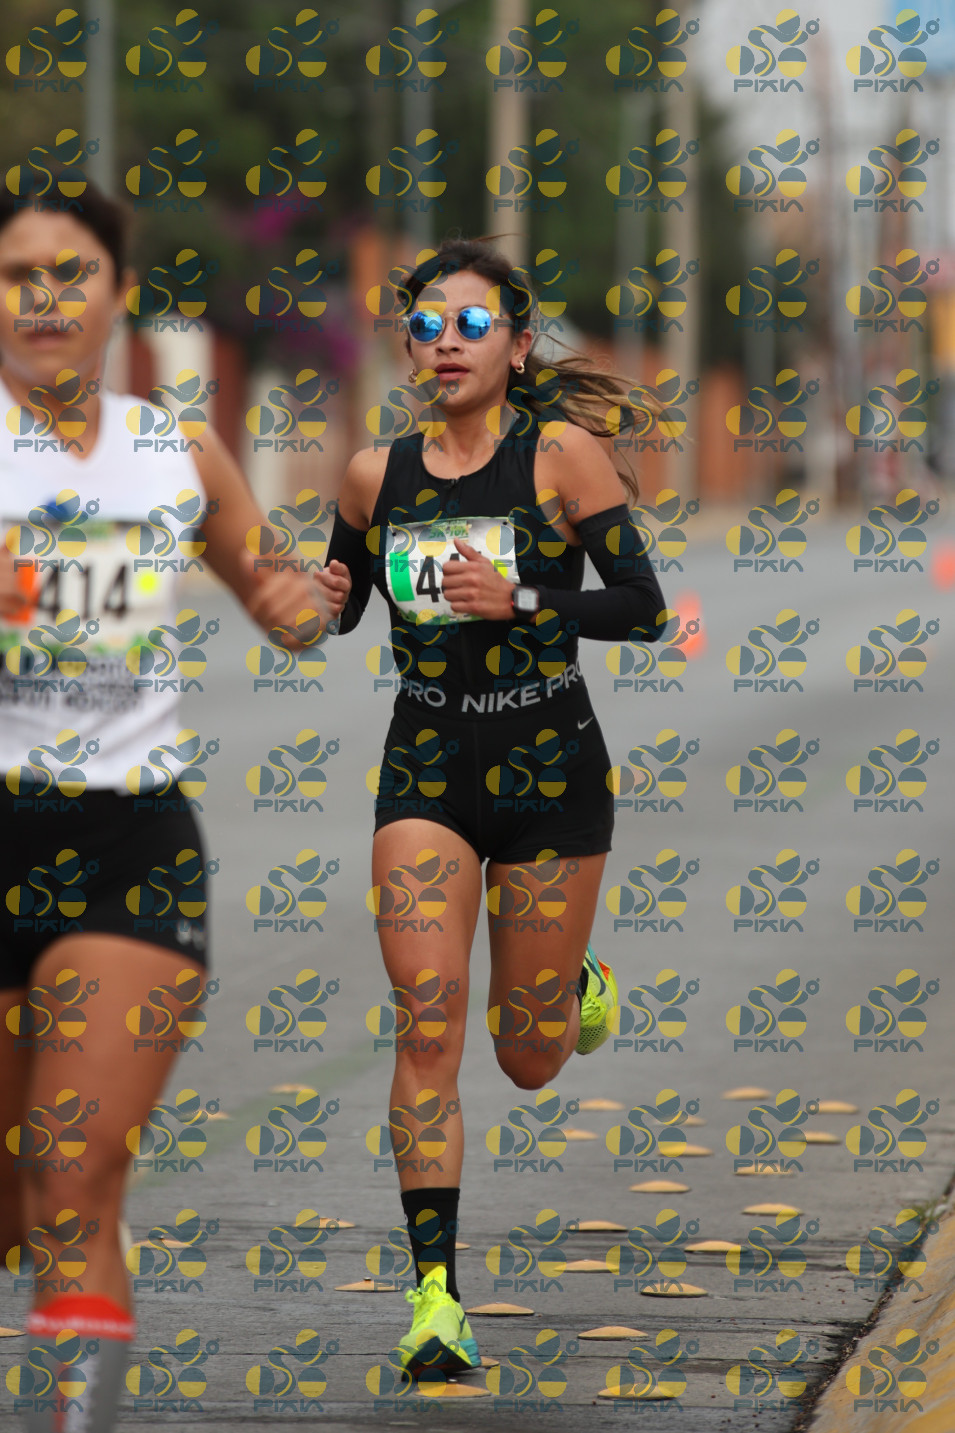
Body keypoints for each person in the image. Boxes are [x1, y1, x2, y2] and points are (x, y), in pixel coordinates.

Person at [0, 178, 329, 1432]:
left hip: (128, 841)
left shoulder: (173, 451)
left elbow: (284, 602)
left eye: (70, 272)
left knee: (71, 1170)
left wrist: (320, 590)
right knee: (15, 1199)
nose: (44, 297)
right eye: (17, 275)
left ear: (118, 293)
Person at [321, 237, 666, 1379]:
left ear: (517, 347)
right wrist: (319, 595)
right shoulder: (372, 475)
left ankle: (570, 984)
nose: (446, 342)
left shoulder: (560, 457)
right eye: (426, 324)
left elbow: (642, 605)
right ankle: (435, 1297)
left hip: (549, 768)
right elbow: (341, 606)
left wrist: (521, 595)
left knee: (526, 1057)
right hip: (424, 768)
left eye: (472, 324)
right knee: (427, 1019)